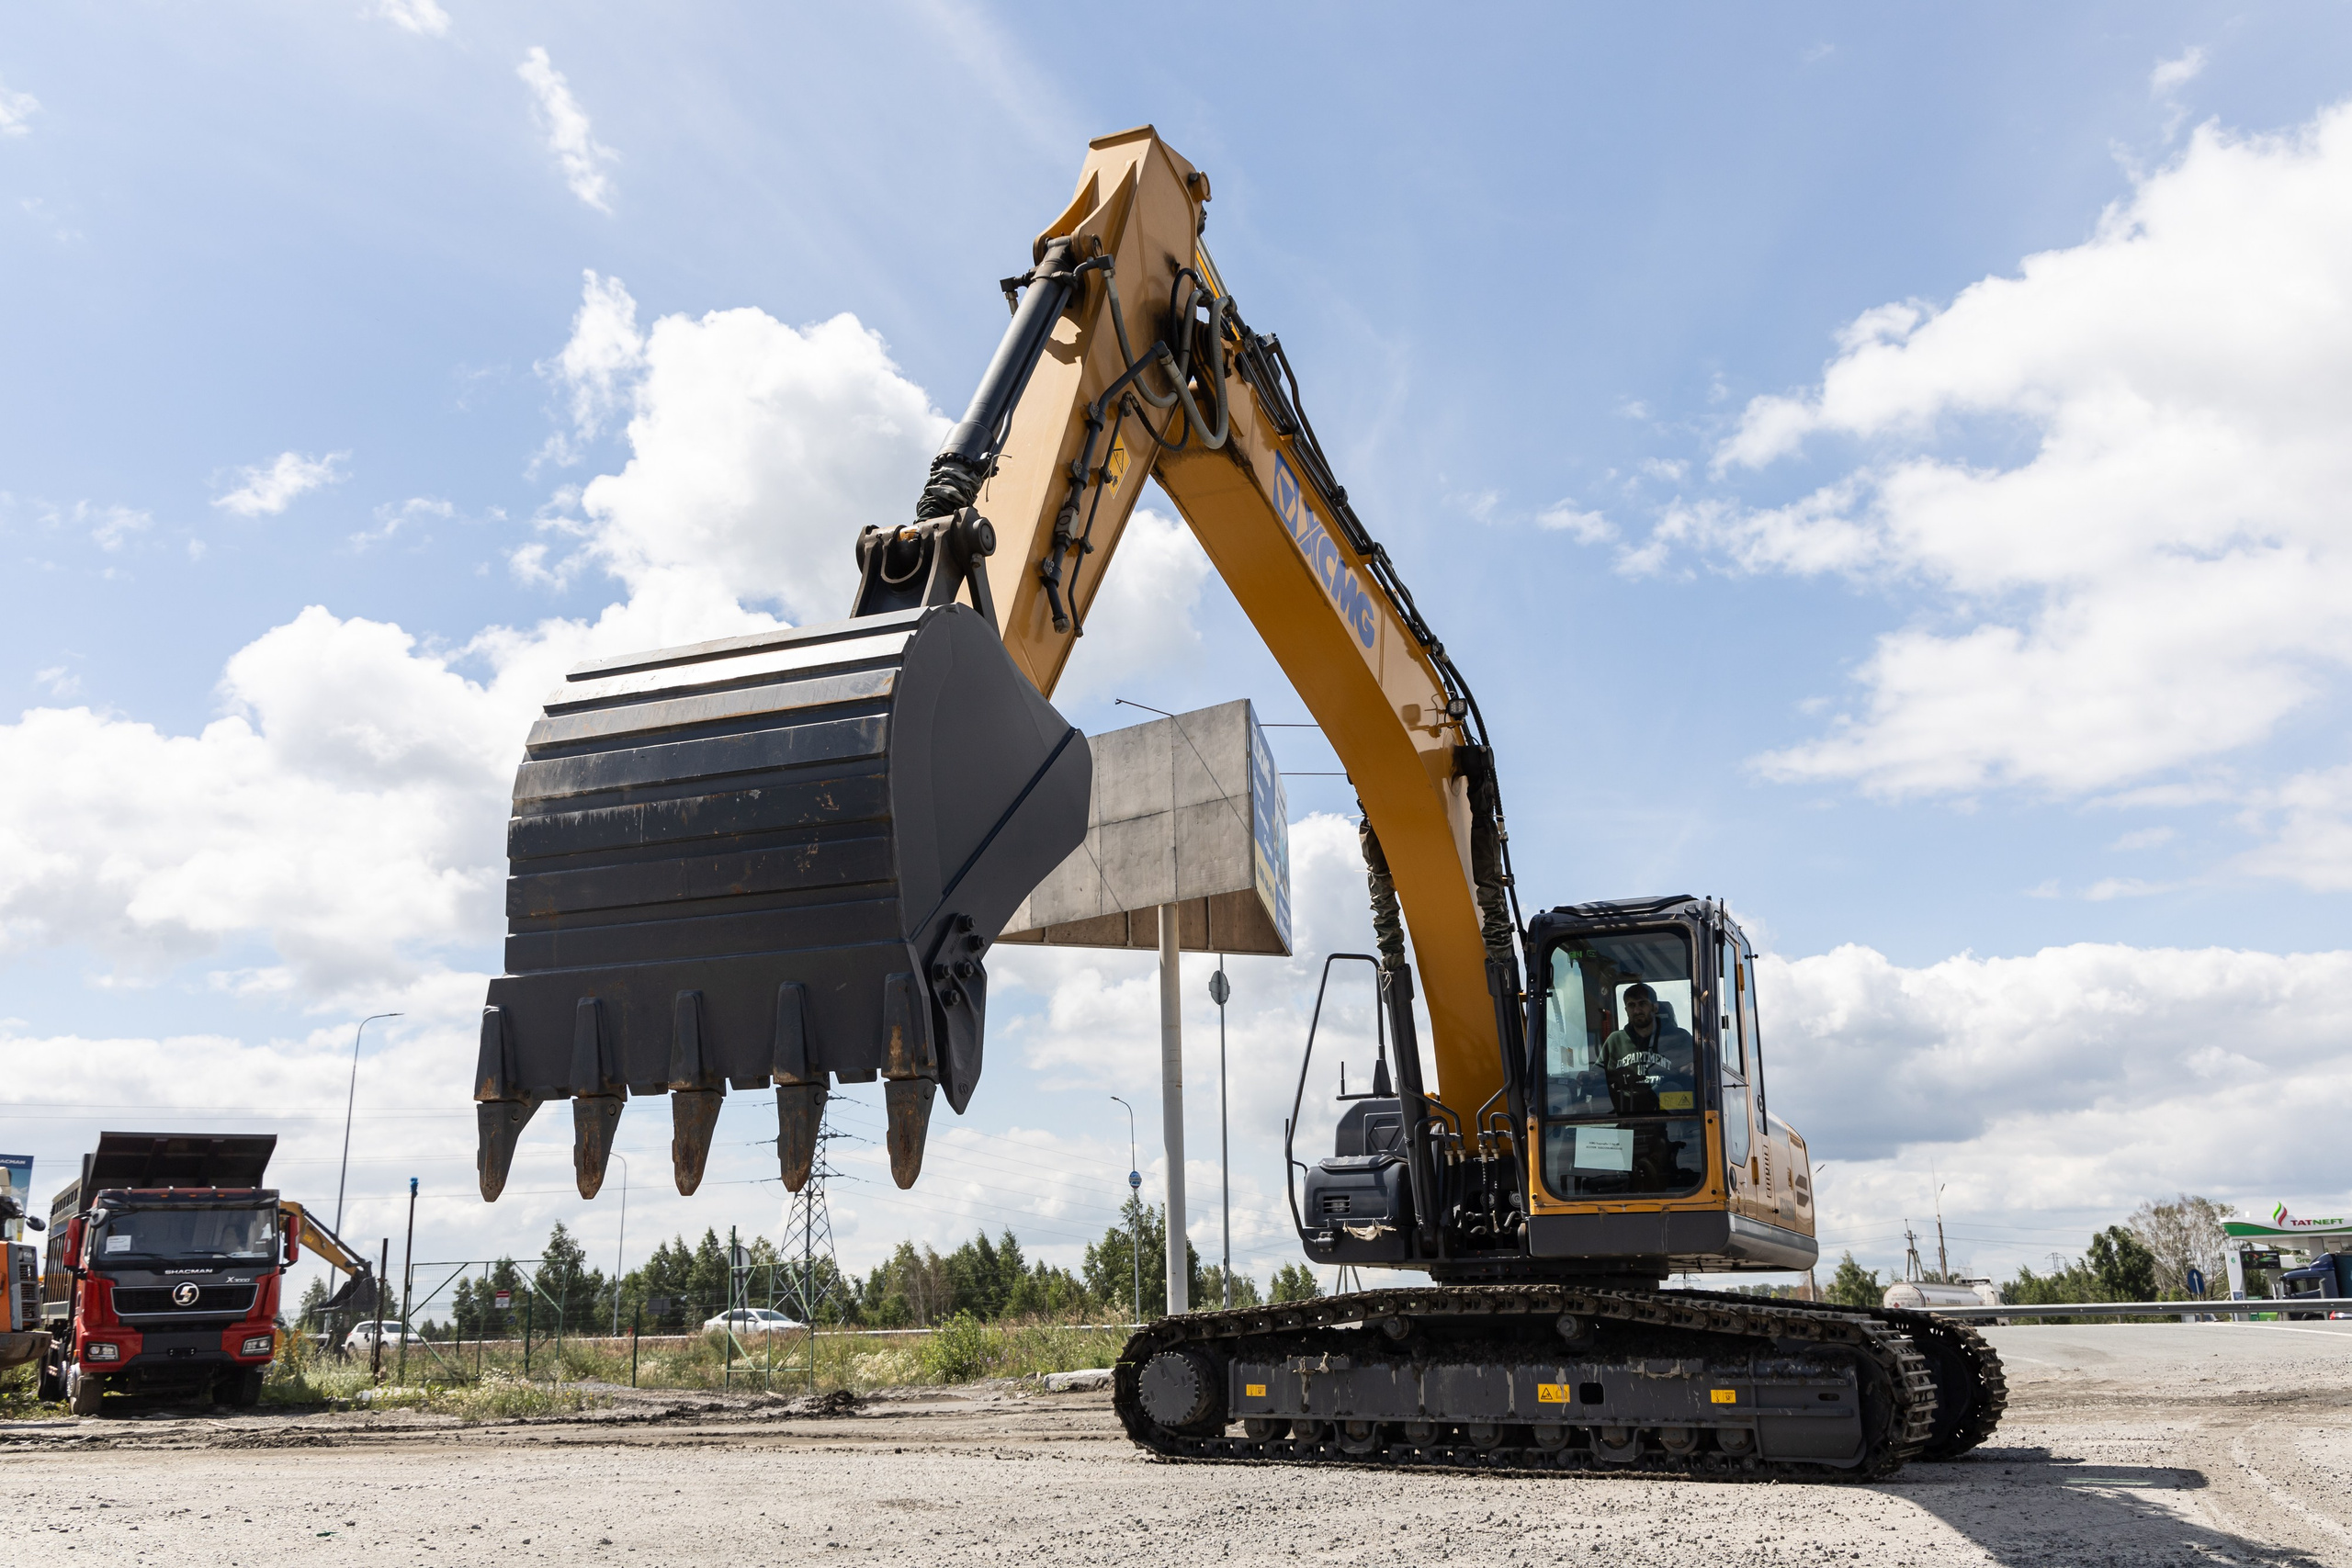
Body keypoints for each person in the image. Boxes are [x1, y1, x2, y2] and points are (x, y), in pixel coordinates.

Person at [1598, 983, 1694, 1077]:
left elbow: (1697, 1067)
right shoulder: (1615, 1041)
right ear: (1626, 1010)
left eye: (1642, 1004)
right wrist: (1591, 1076)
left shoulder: (1680, 1038)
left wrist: (1692, 1067)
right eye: (1631, 1005)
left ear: (1655, 1007)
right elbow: (1598, 1075)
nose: (1637, 1011)